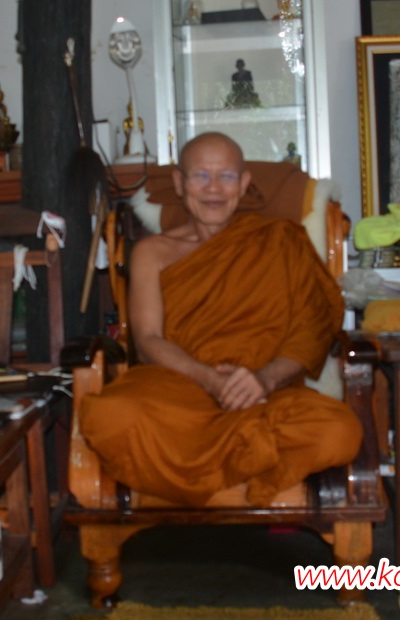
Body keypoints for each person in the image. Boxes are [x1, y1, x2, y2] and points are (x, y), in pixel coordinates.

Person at [79, 132, 362, 507]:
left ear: (243, 184)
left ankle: (200, 472)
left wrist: (264, 379)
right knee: (112, 417)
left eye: (226, 176)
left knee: (340, 430)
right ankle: (254, 465)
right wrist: (210, 380)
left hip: (263, 395)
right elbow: (147, 340)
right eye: (201, 175)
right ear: (179, 183)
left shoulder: (281, 239)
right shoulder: (152, 253)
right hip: (180, 392)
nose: (213, 189)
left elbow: (312, 331)